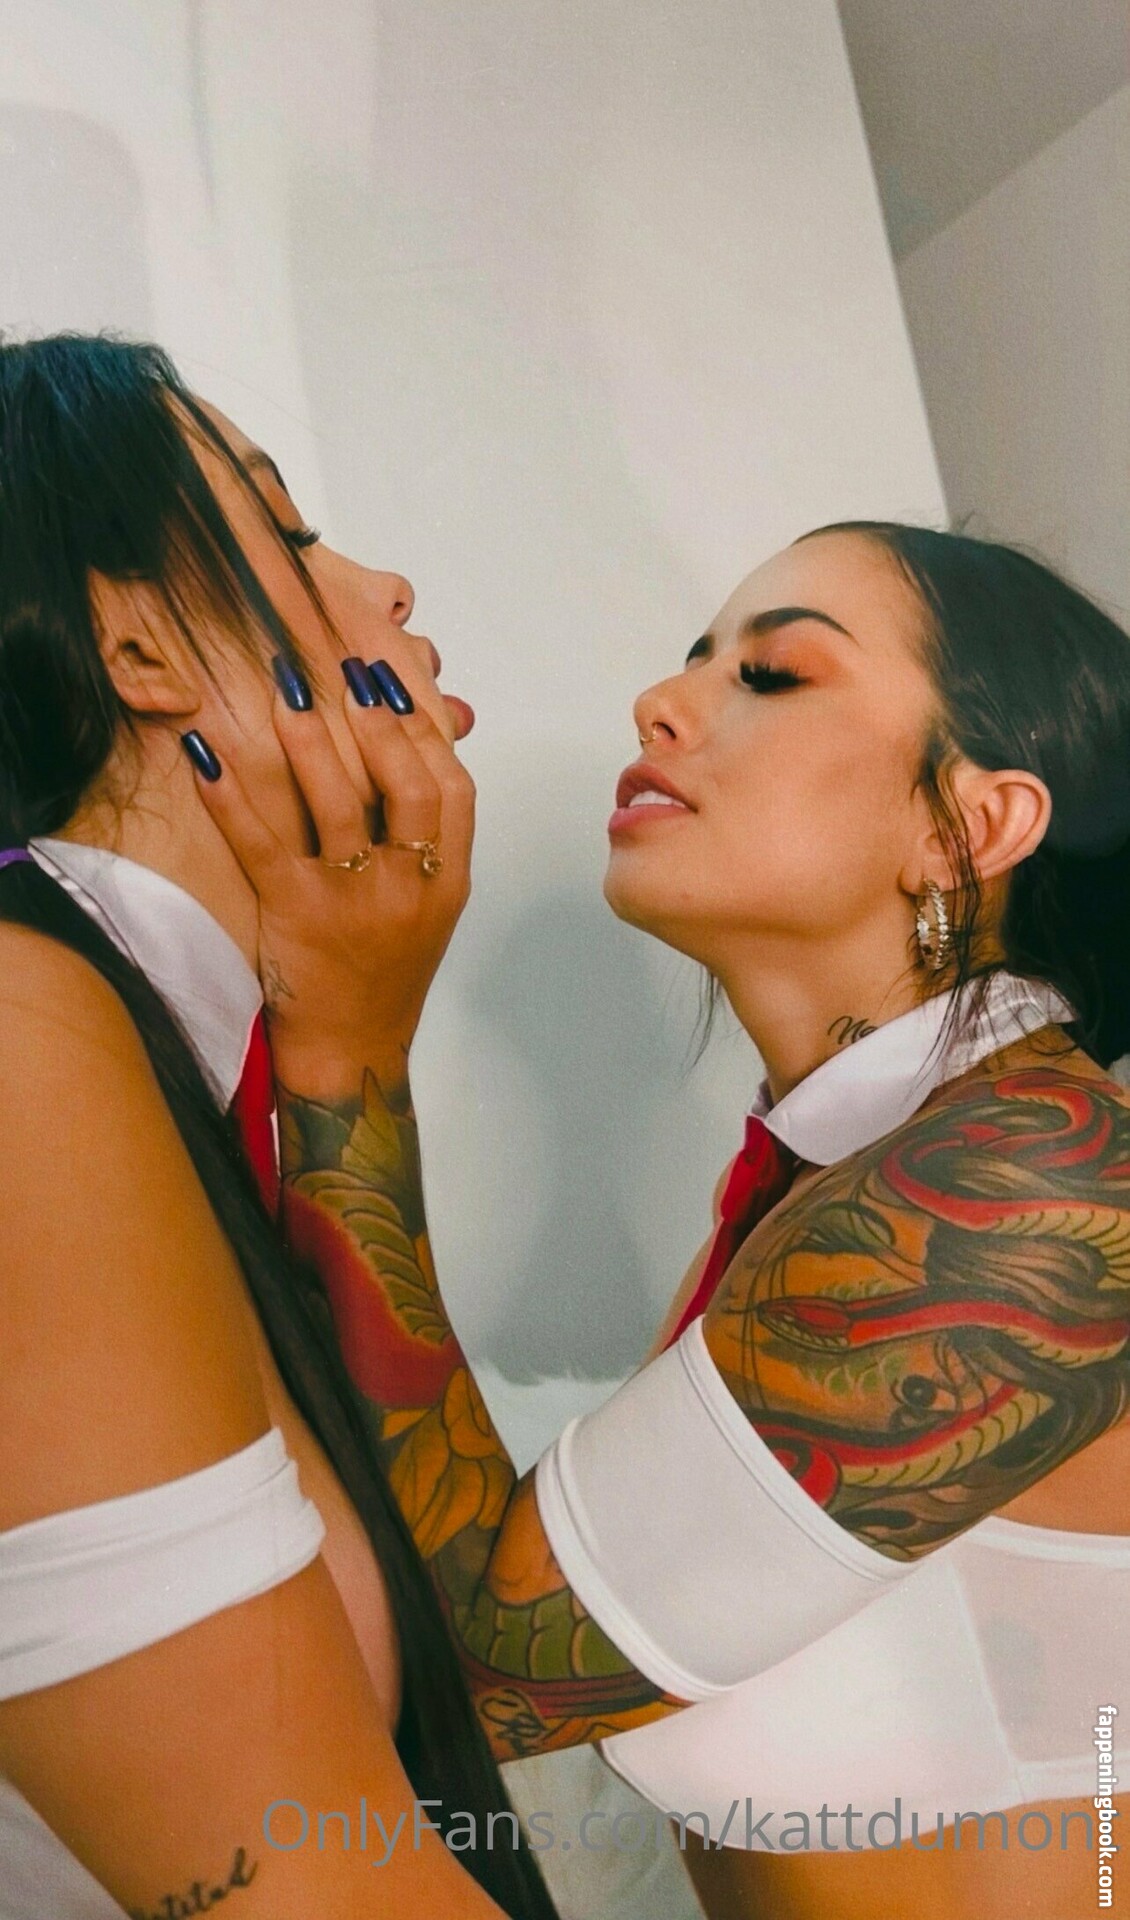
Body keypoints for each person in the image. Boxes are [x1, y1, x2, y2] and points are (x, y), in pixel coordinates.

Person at [194, 508, 1130, 1919]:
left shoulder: (1022, 1191)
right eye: (693, 657)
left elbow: (482, 1671)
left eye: (771, 673)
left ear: (972, 825)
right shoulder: (833, 1179)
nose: (661, 701)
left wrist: (347, 1051)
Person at [0, 333, 560, 1920]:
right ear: (136, 647)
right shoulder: (23, 1031)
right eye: (292, 531)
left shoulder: (137, 1040)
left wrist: (347, 1056)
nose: (383, 586)